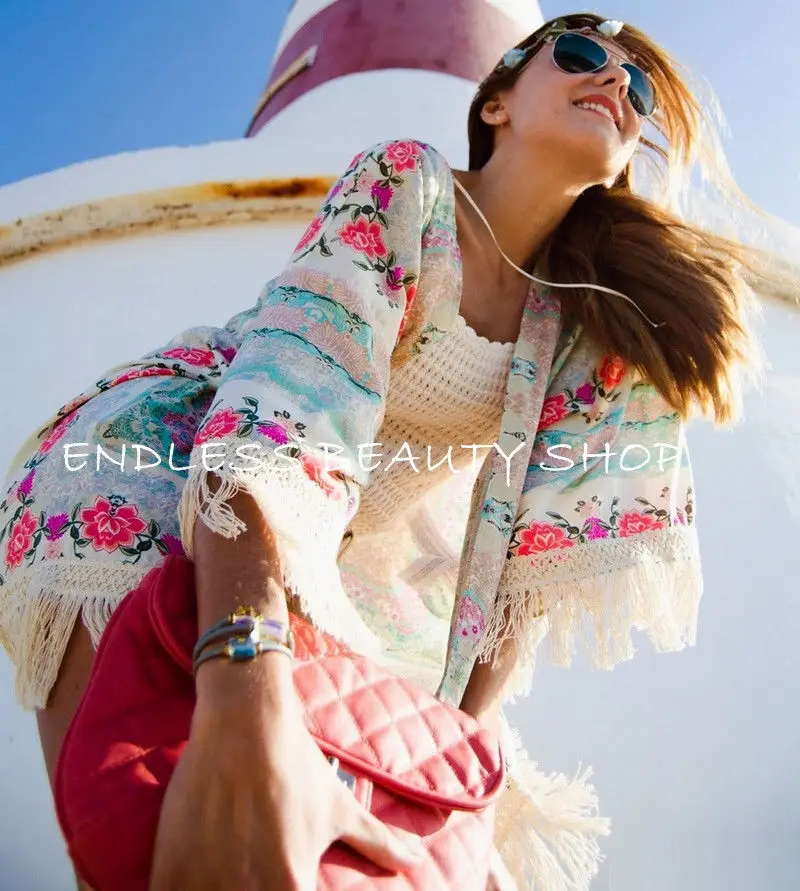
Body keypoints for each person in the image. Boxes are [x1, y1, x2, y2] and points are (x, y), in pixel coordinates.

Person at [0, 12, 786, 891]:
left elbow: (518, 582)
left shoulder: (588, 319)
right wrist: (243, 689)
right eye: (578, 55)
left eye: (636, 88)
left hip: (352, 555)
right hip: (161, 467)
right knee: (171, 826)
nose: (614, 83)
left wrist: (456, 778)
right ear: (495, 104)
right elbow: (278, 423)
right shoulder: (409, 182)